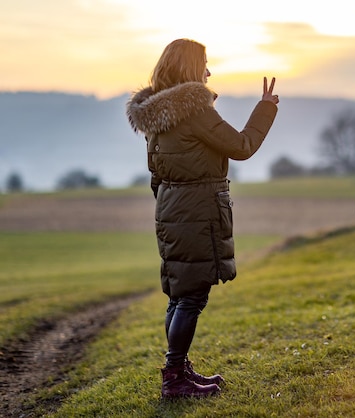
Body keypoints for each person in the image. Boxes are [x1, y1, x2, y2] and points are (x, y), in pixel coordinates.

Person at [126, 38, 279, 399]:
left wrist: (170, 206)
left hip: (170, 209)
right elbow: (241, 146)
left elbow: (155, 171)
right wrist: (266, 108)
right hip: (196, 209)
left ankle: (178, 370)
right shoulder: (194, 110)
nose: (209, 72)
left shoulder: (157, 115)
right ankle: (174, 378)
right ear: (191, 68)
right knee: (192, 296)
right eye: (205, 64)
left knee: (180, 295)